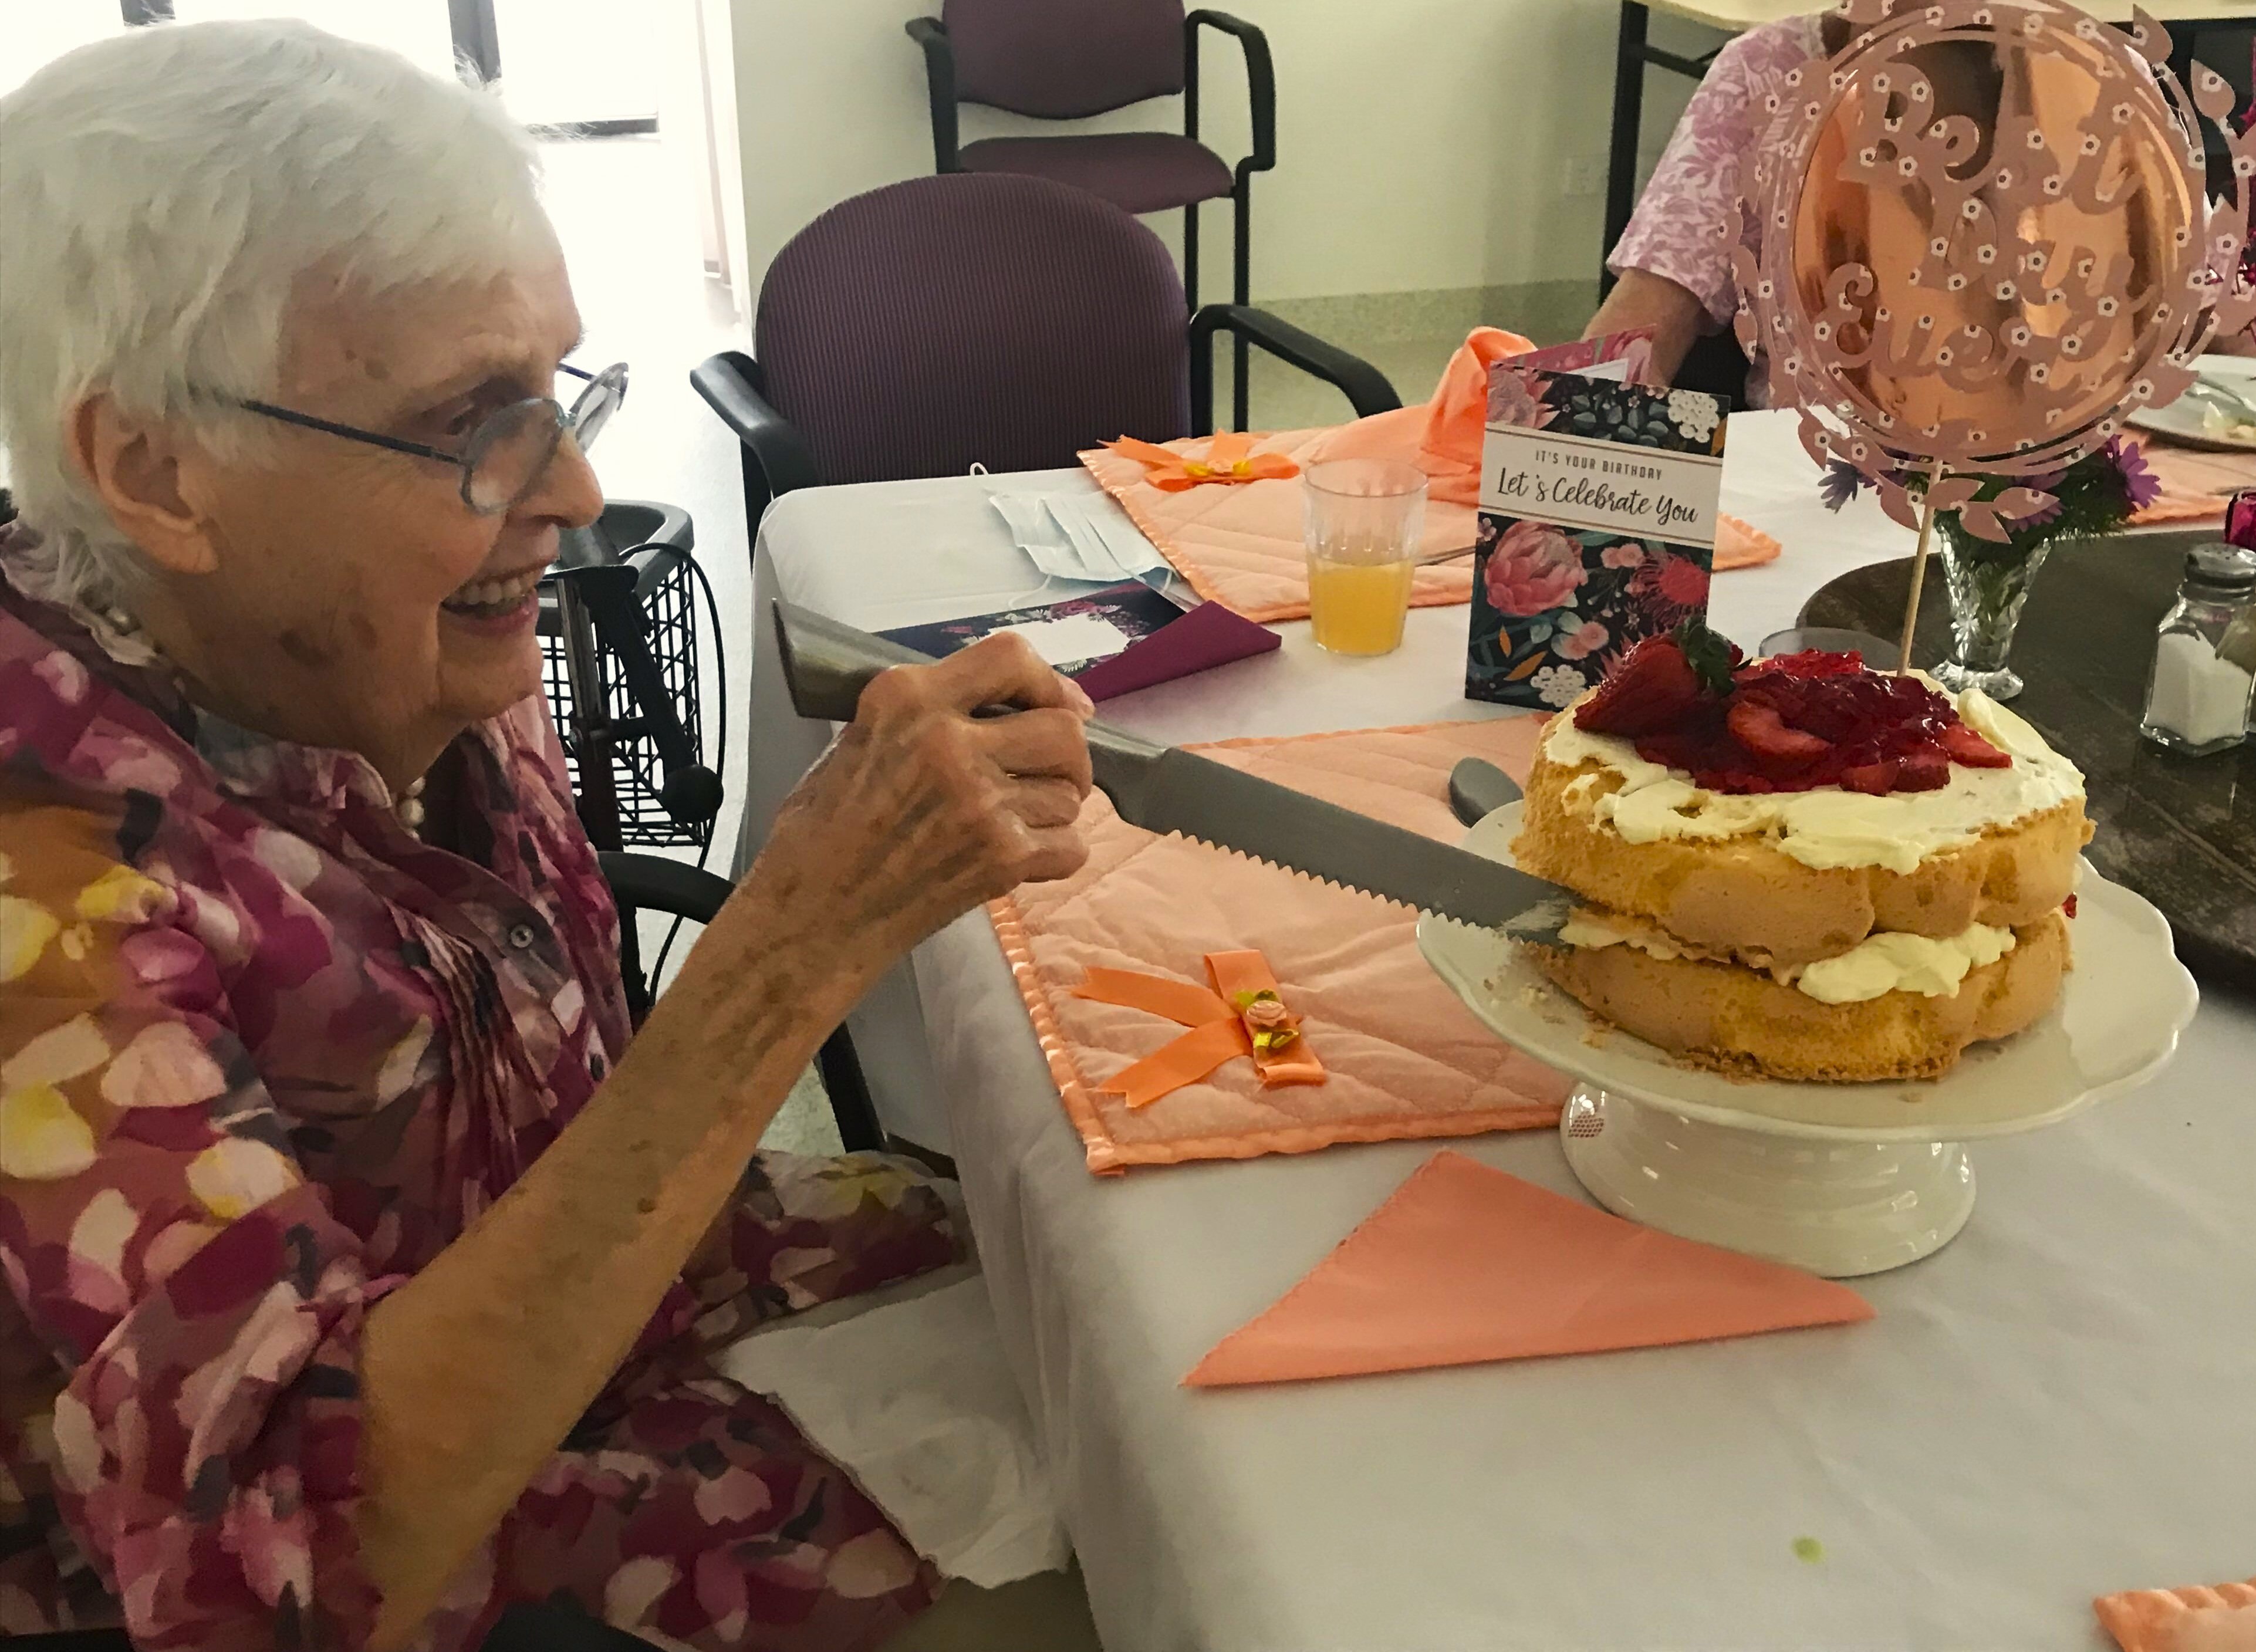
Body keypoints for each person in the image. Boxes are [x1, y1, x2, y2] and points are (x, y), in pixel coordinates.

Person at [0, 22, 1095, 1652]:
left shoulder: (378, 626)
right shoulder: (46, 895)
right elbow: (291, 1559)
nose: (576, 486)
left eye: (555, 389)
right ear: (155, 470)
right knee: (1181, 1566)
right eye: (472, 423)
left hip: (625, 1317)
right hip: (370, 1542)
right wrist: (784, 956)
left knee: (1137, 1286)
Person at [1589, 15, 2256, 396]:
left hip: (2069, 489)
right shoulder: (1767, 72)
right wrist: (1546, 488)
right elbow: (1647, 320)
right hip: (1830, 489)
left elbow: (2208, 315)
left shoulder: (2100, 79)